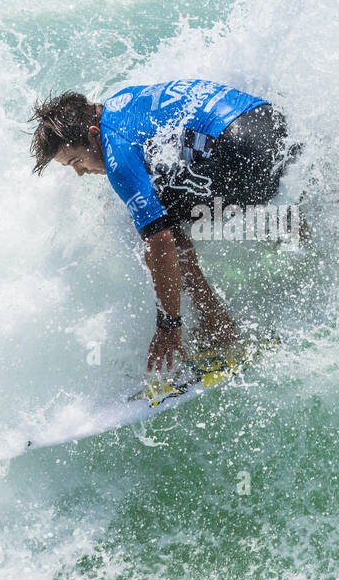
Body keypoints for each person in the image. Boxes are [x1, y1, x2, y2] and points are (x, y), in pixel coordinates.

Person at [31, 79, 298, 372]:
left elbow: (161, 242)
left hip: (240, 155)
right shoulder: (122, 101)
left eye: (76, 161)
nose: (80, 172)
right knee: (172, 191)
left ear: (94, 136)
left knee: (157, 227)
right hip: (269, 122)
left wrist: (169, 325)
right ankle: (304, 228)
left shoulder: (115, 151)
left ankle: (218, 327)